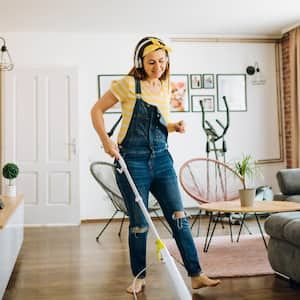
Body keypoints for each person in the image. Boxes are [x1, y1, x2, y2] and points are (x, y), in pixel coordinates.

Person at [91, 36, 221, 294]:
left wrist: (175, 126)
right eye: (151, 62)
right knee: (139, 223)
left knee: (180, 217)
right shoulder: (127, 84)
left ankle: (196, 274)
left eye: (162, 61)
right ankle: (139, 278)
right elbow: (96, 110)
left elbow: (160, 124)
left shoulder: (164, 87)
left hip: (162, 158)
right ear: (141, 62)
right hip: (132, 160)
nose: (158, 66)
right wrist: (106, 142)